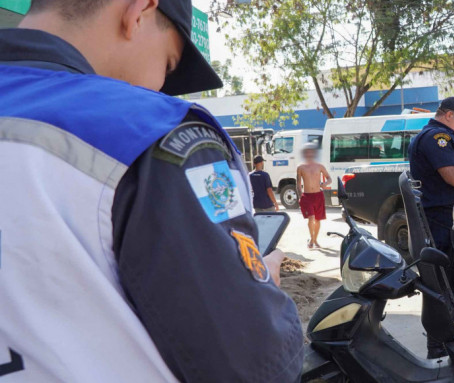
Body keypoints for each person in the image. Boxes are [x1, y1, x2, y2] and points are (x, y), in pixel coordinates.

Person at [0, 1, 303, 381]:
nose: (161, 85)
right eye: (170, 64)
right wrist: (262, 294)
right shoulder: (150, 131)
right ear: (138, 11)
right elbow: (254, 365)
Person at [407, 96, 454, 358]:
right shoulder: (437, 137)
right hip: (442, 224)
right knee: (446, 286)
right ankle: (438, 351)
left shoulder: (440, 136)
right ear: (449, 115)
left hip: (447, 223)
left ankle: (444, 345)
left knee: (453, 285)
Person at [296, 143, 330, 249]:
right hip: (307, 196)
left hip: (318, 195)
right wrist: (300, 195)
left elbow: (329, 178)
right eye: (307, 151)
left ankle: (314, 240)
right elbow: (298, 183)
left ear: (314, 153)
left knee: (318, 219)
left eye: (311, 151)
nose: (309, 153)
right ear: (304, 153)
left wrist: (325, 184)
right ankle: (312, 239)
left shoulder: (320, 166)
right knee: (311, 218)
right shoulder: (300, 167)